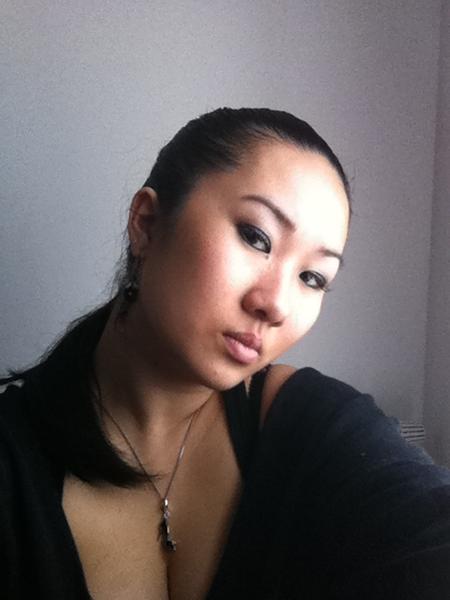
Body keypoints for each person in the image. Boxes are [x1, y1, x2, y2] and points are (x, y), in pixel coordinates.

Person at [1, 107, 449, 600]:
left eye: (312, 277)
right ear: (147, 223)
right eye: (257, 237)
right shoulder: (14, 462)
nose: (276, 305)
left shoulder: (312, 425)